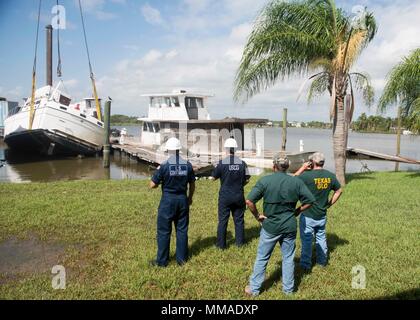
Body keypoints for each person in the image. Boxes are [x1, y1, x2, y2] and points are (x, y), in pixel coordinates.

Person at [245, 154, 315, 295]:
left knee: (262, 257)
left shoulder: (265, 181)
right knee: (288, 258)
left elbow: (249, 202)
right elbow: (310, 201)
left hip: (270, 226)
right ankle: (288, 290)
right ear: (287, 166)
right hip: (289, 226)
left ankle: (254, 289)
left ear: (273, 166)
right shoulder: (296, 182)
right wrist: (297, 211)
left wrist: (258, 216)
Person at [149, 137, 196, 267]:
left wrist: (156, 175)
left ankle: (162, 261)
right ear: (179, 150)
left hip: (167, 201)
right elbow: (192, 184)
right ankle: (182, 260)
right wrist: (190, 197)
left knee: (164, 231)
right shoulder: (187, 165)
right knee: (182, 230)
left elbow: (152, 185)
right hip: (182, 200)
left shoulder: (163, 166)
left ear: (168, 150)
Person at [294, 152, 342, 270]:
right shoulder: (330, 176)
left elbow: (291, 181)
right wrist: (329, 203)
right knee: (321, 237)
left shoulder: (306, 176)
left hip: (308, 214)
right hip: (322, 214)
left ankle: (305, 265)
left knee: (307, 240)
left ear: (312, 163)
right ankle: (322, 262)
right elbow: (339, 190)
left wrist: (303, 168)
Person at [211, 138, 250, 249]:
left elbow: (213, 178)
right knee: (239, 220)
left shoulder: (222, 163)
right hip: (238, 195)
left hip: (225, 196)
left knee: (223, 220)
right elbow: (247, 179)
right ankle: (240, 244)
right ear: (235, 149)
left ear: (226, 149)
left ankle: (221, 245)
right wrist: (239, 186)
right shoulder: (243, 163)